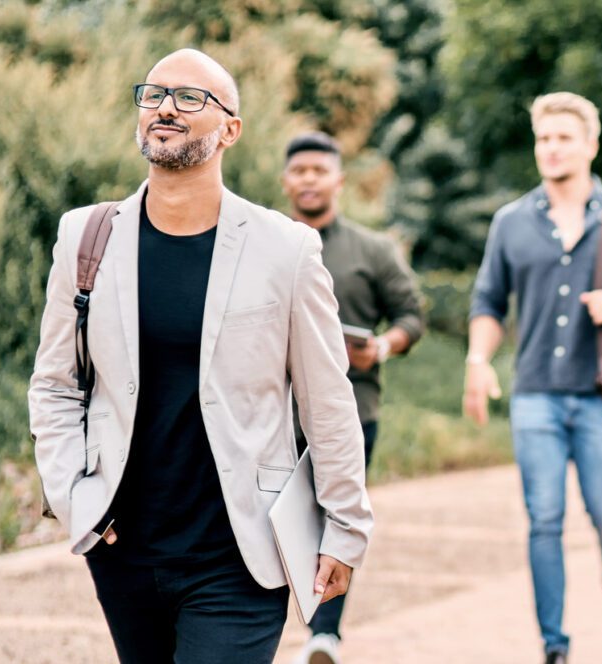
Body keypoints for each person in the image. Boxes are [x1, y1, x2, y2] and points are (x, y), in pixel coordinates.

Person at [28, 49, 373, 664]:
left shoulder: (287, 249)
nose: (165, 107)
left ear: (229, 129)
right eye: (153, 94)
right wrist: (74, 496)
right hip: (124, 549)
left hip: (242, 550)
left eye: (191, 98)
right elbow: (56, 385)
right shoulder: (84, 237)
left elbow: (328, 400)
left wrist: (345, 527)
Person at [464, 92, 602, 664]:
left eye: (564, 137)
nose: (552, 148)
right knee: (544, 521)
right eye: (544, 138)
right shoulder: (511, 221)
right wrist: (478, 361)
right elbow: (487, 301)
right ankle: (554, 646)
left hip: (600, 398)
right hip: (534, 394)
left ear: (591, 144)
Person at [283, 131, 424, 664]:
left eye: (321, 170)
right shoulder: (262, 239)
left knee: (333, 519)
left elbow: (413, 314)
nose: (310, 179)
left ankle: (324, 636)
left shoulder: (373, 249)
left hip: (353, 409)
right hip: (271, 411)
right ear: (287, 180)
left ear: (338, 180)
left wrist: (383, 346)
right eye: (301, 171)